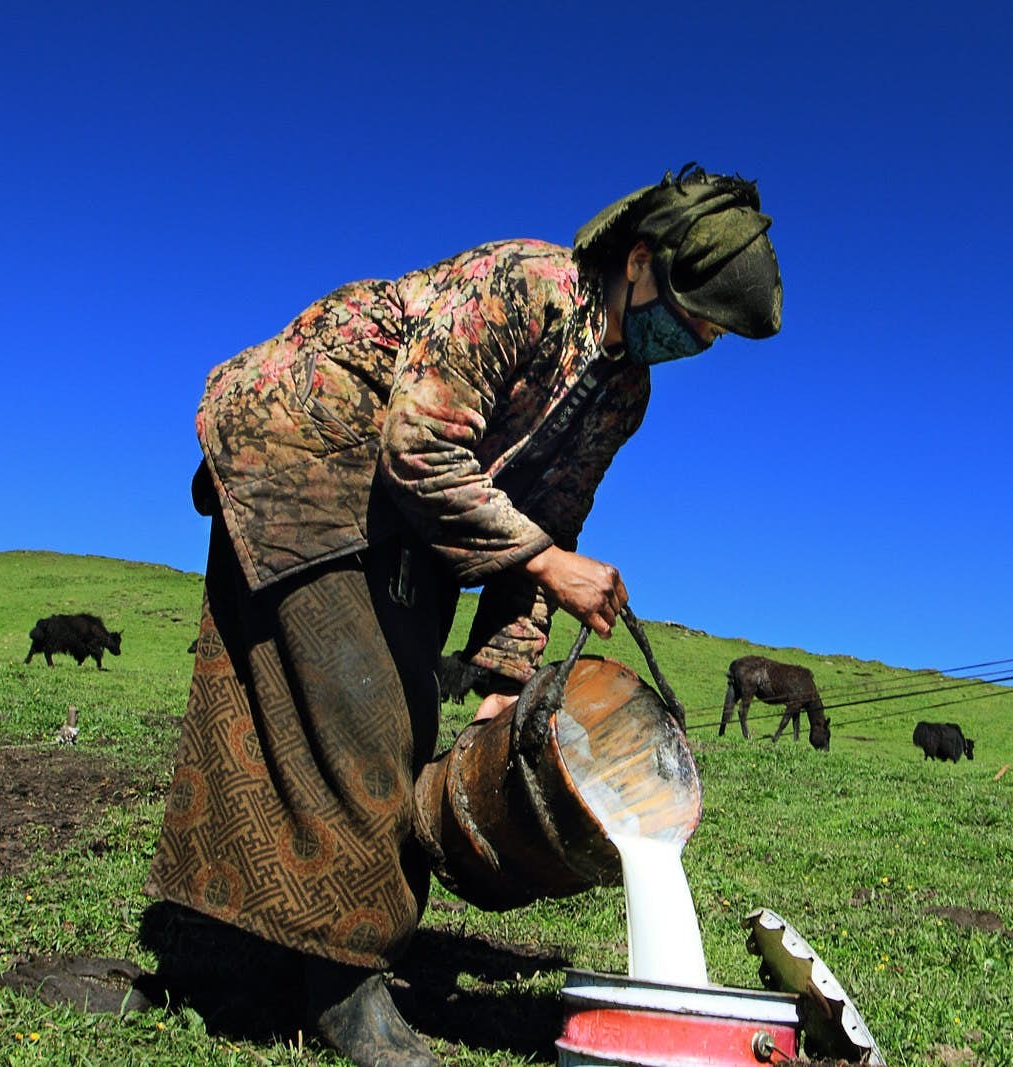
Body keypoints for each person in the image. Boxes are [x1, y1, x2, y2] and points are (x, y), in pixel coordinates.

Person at [145, 165, 782, 1066]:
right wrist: (551, 563)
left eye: (715, 333)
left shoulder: (624, 393)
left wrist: (504, 683)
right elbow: (418, 445)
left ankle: (263, 955)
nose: (700, 338)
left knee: (393, 709)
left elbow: (549, 518)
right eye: (697, 313)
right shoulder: (524, 286)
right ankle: (345, 989)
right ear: (640, 262)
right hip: (311, 442)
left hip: (408, 515)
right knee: (367, 714)